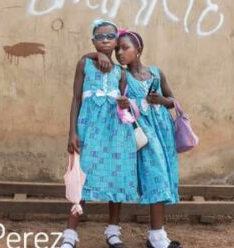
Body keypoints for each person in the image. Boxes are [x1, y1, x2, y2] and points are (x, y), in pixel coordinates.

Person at [61, 20, 138, 248]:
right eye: (99, 36)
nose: (105, 39)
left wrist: (126, 104)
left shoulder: (120, 72)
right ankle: (70, 233)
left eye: (110, 36)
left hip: (115, 132)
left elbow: (128, 105)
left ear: (116, 42)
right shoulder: (84, 64)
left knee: (117, 176)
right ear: (93, 41)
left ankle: (113, 231)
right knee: (81, 176)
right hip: (89, 128)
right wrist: (72, 132)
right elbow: (76, 99)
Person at [115, 30, 182, 248]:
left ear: (139, 50)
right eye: (117, 49)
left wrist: (162, 100)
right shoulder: (123, 76)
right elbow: (117, 104)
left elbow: (172, 101)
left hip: (164, 131)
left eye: (125, 48)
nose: (119, 53)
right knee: (157, 176)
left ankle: (157, 236)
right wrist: (124, 104)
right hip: (144, 132)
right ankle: (157, 237)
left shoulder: (156, 73)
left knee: (164, 175)